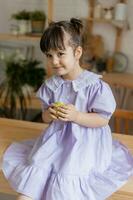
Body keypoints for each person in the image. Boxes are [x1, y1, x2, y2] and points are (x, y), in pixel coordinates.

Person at [2, 18, 133, 200]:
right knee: (29, 187)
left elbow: (102, 120)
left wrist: (77, 116)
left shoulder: (94, 86)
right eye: (49, 55)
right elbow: (45, 117)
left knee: (65, 184)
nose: (54, 61)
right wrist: (50, 114)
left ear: (77, 52)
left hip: (85, 143)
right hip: (56, 141)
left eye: (60, 53)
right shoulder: (51, 86)